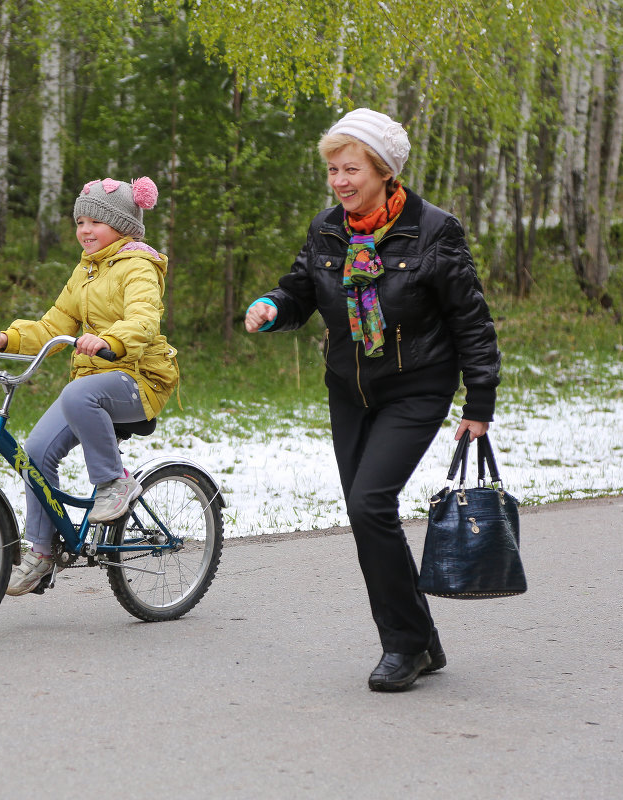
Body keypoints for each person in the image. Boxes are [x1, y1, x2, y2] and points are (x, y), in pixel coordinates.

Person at [245, 108, 500, 692]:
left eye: (350, 168)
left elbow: (471, 319)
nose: (339, 181)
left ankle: (403, 647)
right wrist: (274, 307)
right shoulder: (327, 228)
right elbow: (300, 288)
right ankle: (422, 639)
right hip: (349, 389)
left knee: (368, 505)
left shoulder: (435, 230)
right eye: (333, 170)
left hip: (418, 386)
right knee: (370, 517)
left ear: (383, 170)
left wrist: (479, 401)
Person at [0, 176, 178, 596]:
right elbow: (54, 325)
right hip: (92, 383)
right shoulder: (85, 270)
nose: (85, 230)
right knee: (32, 455)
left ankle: (113, 483)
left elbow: (143, 320)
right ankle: (43, 552)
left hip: (140, 377)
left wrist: (109, 340)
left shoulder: (139, 266)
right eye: (80, 221)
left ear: (122, 226)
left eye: (95, 222)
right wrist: (8, 339)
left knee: (76, 394)